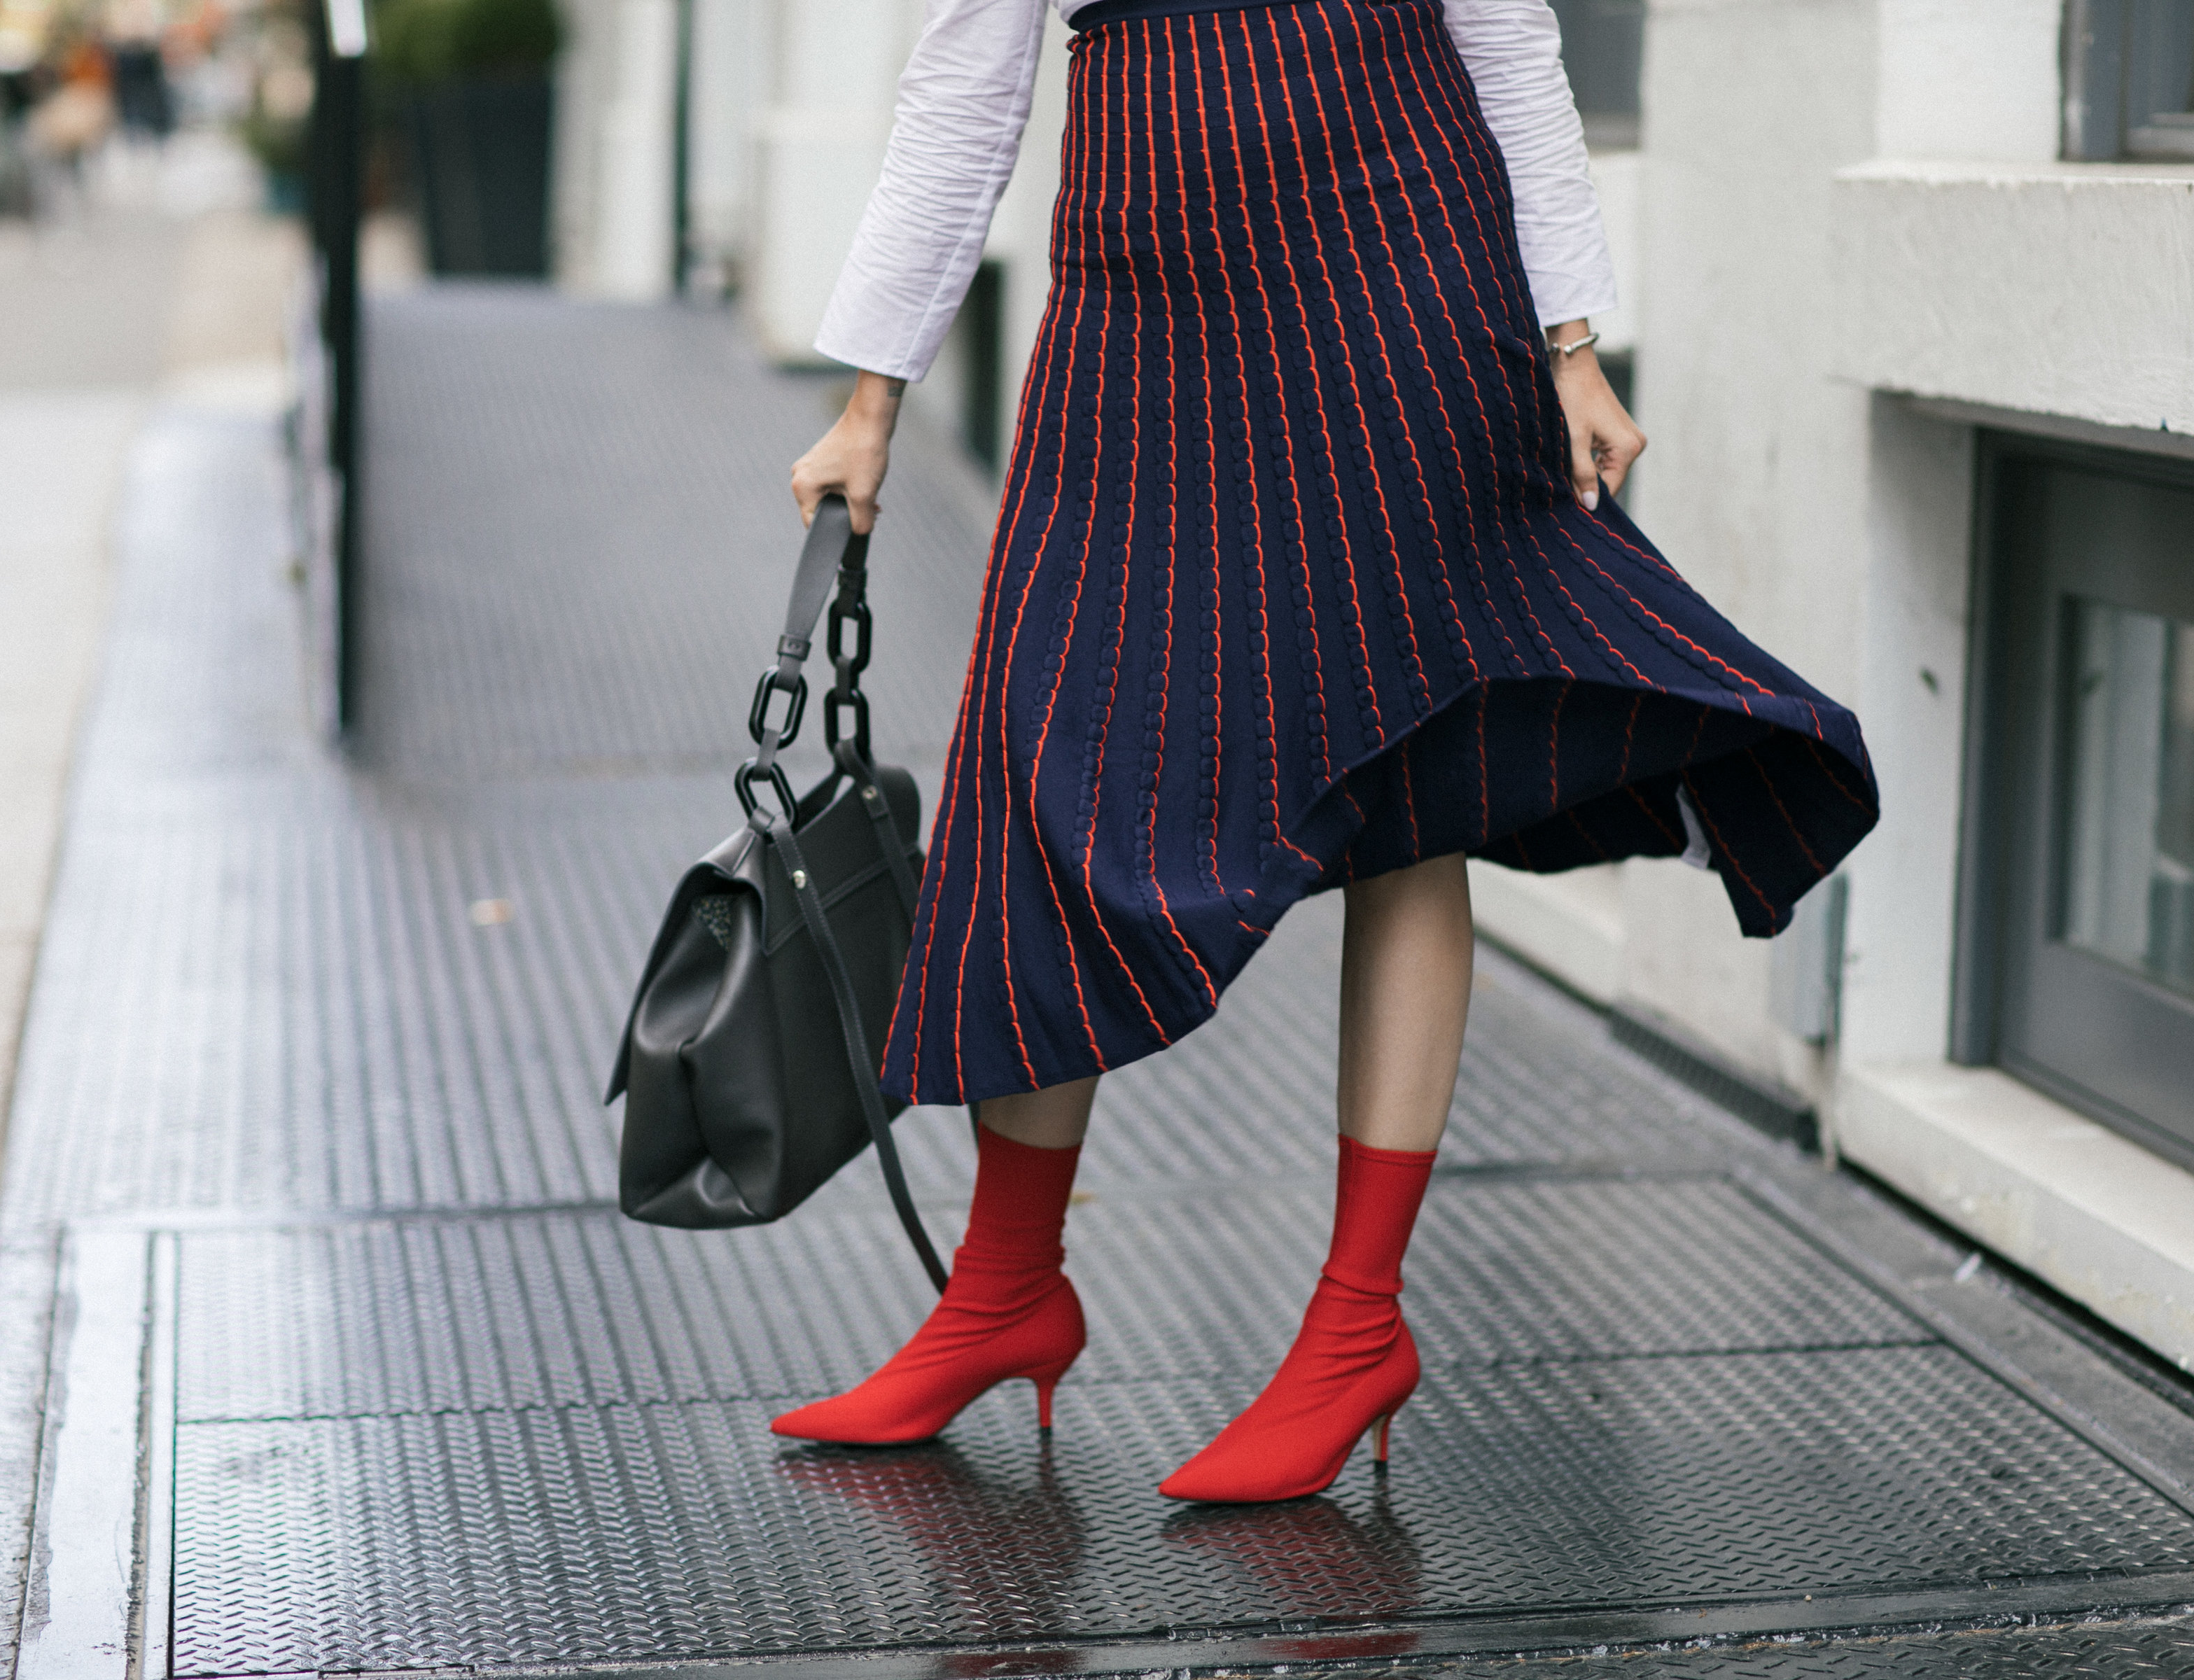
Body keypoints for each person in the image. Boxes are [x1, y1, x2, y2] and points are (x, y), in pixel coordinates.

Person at [776, 0, 1878, 1503]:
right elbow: (962, 90)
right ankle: (1003, 1292)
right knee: (1041, 748)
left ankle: (1356, 1327)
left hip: (1401, 268)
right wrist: (869, 400)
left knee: (1404, 771)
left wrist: (1571, 346)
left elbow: (1502, 37)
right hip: (1139, 294)